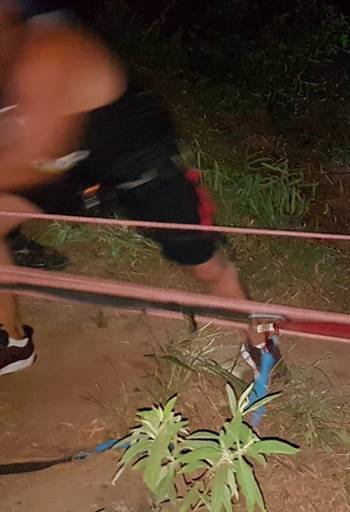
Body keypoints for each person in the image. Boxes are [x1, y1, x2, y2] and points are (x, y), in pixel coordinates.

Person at [0, 1, 275, 377]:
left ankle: (260, 344)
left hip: (138, 163)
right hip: (73, 165)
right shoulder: (11, 43)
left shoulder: (49, 45)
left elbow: (37, 152)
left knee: (206, 263)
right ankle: (14, 342)